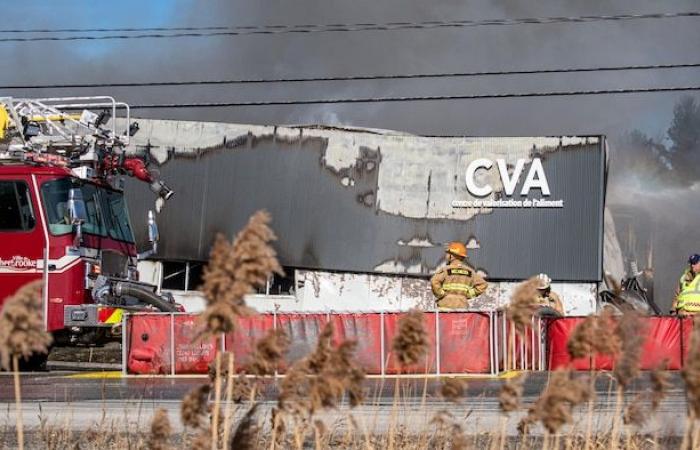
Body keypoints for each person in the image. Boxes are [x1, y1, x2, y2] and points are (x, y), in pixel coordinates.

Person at [430, 241, 488, 309]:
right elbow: (483, 284)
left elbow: (434, 281)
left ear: (452, 256)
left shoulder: (445, 270)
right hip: (462, 308)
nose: (446, 256)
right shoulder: (470, 272)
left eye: (448, 254)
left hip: (445, 308)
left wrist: (441, 294)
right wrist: (467, 295)